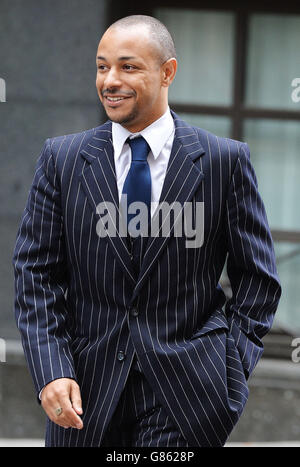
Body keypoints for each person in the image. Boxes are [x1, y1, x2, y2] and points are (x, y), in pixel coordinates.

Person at [13, 15, 281, 447]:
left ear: (167, 72)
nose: (110, 80)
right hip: (86, 395)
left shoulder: (222, 162)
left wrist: (229, 372)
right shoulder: (61, 160)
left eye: (128, 66)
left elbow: (259, 280)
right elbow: (36, 275)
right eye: (102, 67)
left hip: (188, 398)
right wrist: (51, 370)